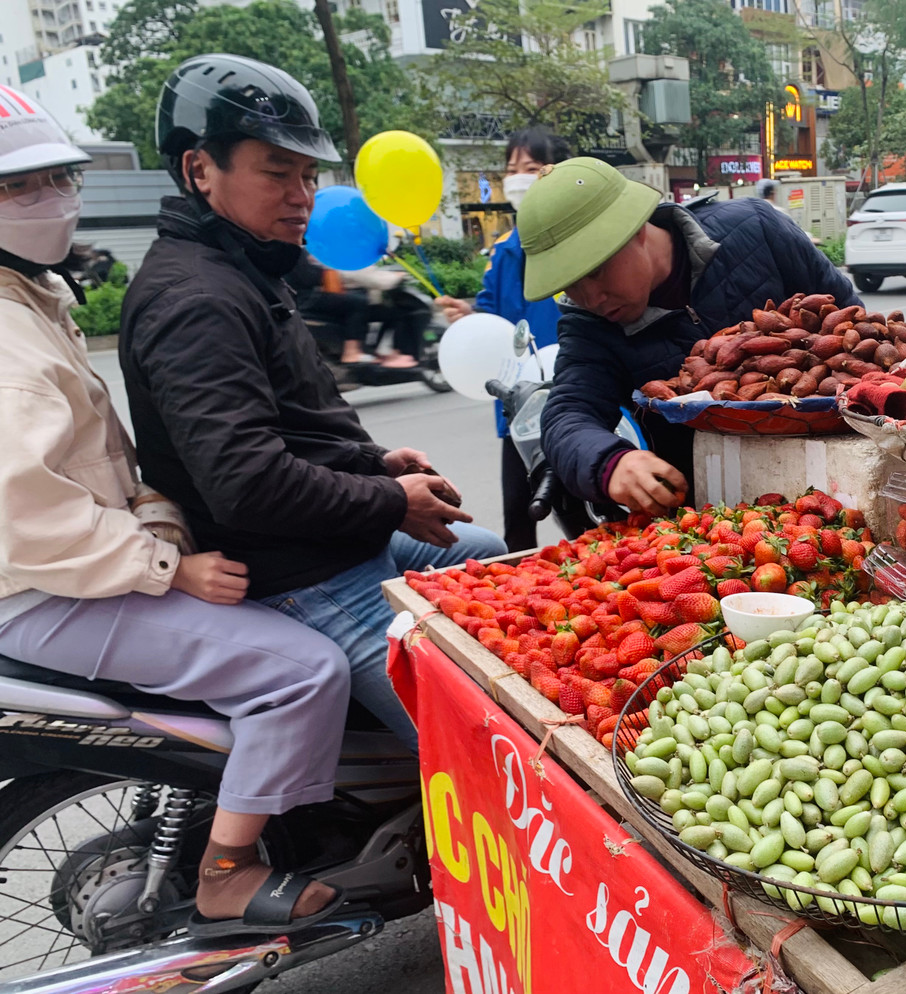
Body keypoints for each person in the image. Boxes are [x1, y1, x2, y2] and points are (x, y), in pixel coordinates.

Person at [0, 87, 351, 936]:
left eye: (58, 177)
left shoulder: (34, 299)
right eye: (19, 187)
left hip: (73, 568)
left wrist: (160, 528)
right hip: (40, 588)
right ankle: (227, 872)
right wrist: (165, 563)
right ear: (201, 170)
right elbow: (27, 510)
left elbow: (113, 461)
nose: (52, 200)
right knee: (304, 671)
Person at [119, 54, 506, 750]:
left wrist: (374, 462)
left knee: (489, 555)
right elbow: (248, 483)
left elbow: (289, 422)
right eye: (277, 172)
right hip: (301, 575)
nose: (301, 196)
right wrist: (394, 500)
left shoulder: (247, 266)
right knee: (485, 744)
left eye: (307, 175)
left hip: (331, 543)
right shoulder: (197, 300)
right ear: (199, 170)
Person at [518, 157, 858, 515]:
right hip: (719, 520)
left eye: (597, 271)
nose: (592, 298)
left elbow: (854, 320)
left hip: (843, 481)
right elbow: (568, 414)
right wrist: (608, 463)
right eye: (571, 285)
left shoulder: (758, 229)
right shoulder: (588, 325)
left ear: (637, 229)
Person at [436, 127, 569, 551]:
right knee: (518, 514)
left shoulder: (573, 240)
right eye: (511, 169)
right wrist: (469, 316)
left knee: (583, 509)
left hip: (571, 391)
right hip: (518, 403)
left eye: (530, 168)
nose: (517, 178)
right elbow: (494, 316)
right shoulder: (504, 249)